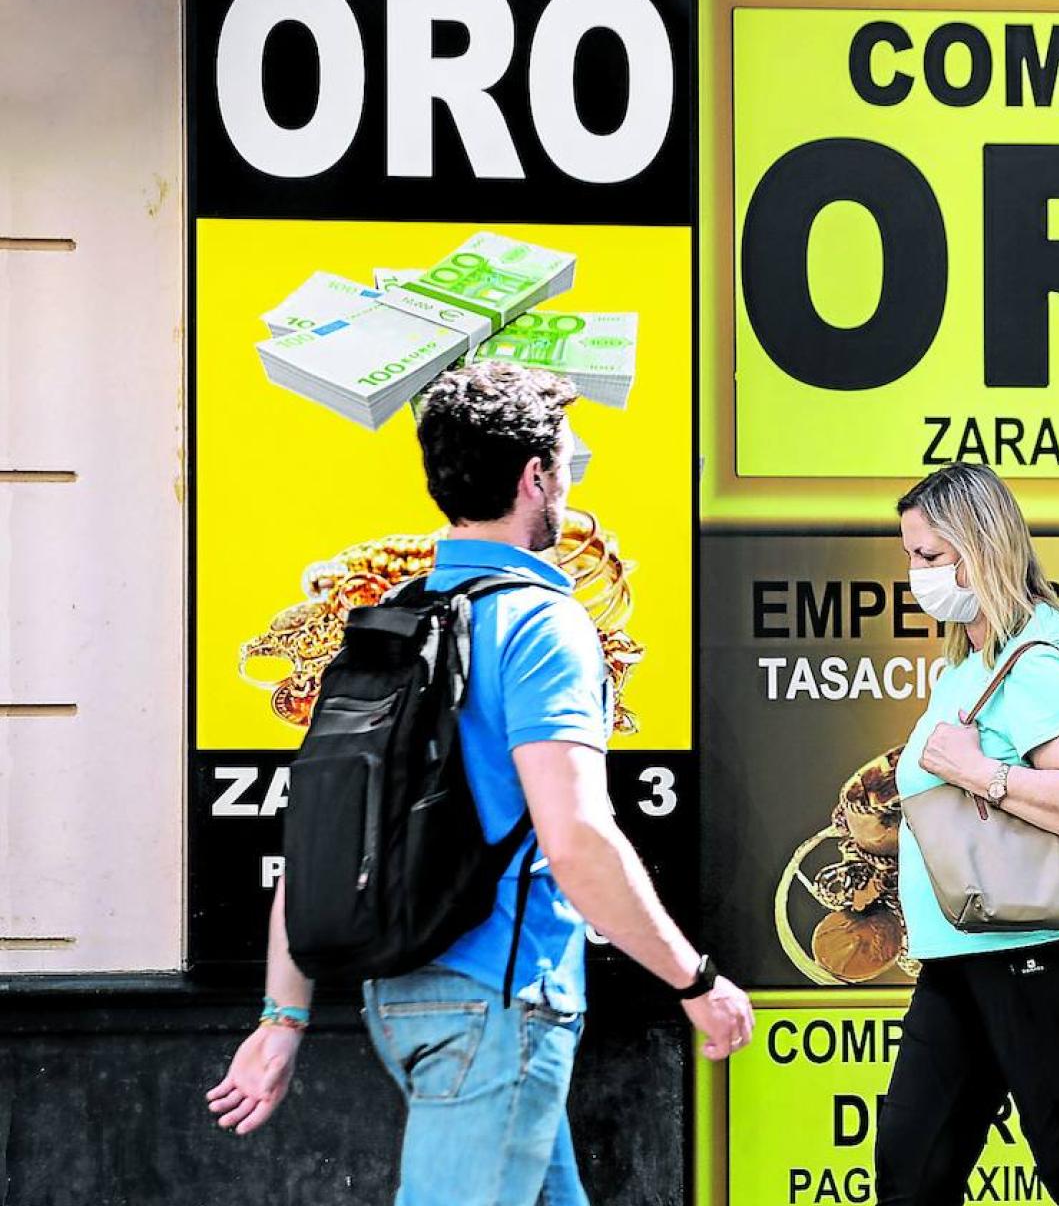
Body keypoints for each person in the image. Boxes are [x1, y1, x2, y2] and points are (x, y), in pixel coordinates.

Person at [205, 361, 754, 1205]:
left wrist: (285, 1016)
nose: (568, 480)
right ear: (535, 477)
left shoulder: (391, 621)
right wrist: (695, 980)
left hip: (403, 996)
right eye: (566, 462)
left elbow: (319, 836)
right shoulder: (542, 624)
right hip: (499, 1003)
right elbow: (577, 839)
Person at [876, 463, 1059, 1206]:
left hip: (1038, 948)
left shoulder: (1031, 660)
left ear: (981, 548)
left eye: (930, 555)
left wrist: (978, 773)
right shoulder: (978, 657)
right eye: (910, 555)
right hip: (970, 948)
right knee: (913, 1170)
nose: (917, 574)